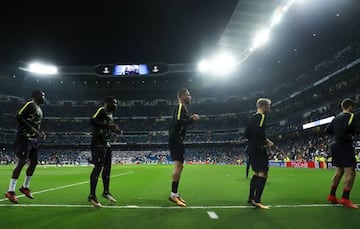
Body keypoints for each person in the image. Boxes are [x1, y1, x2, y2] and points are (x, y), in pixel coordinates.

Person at [5, 90, 46, 203]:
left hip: (33, 140)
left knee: (34, 162)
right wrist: (32, 129)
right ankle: (10, 191)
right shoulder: (30, 104)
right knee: (22, 162)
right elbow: (18, 116)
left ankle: (25, 187)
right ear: (36, 96)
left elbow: (34, 124)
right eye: (43, 96)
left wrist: (39, 132)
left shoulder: (39, 108)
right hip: (24, 138)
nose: (44, 98)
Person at [87, 96, 122, 208]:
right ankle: (92, 196)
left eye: (116, 103)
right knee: (98, 168)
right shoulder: (102, 110)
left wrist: (115, 130)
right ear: (107, 103)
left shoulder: (110, 114)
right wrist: (108, 126)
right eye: (113, 102)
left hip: (106, 143)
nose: (115, 105)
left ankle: (106, 192)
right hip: (98, 144)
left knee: (107, 169)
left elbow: (109, 126)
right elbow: (92, 121)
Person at [325, 98, 359, 209]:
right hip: (345, 145)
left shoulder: (336, 117)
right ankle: (345, 198)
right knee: (351, 172)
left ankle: (332, 195)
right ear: (349, 106)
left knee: (339, 171)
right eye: (353, 107)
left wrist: (338, 132)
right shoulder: (351, 116)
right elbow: (353, 128)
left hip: (335, 145)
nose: (353, 109)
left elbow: (327, 130)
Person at [168, 89, 199, 207]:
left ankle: (175, 193)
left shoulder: (183, 108)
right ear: (182, 96)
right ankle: (173, 195)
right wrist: (192, 118)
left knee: (180, 166)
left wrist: (190, 120)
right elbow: (178, 122)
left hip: (177, 139)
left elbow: (182, 122)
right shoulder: (181, 106)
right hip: (176, 140)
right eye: (188, 95)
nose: (190, 97)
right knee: (178, 166)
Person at [244, 98, 274, 209]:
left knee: (256, 173)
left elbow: (246, 133)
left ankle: (251, 198)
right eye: (268, 106)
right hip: (259, 148)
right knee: (263, 173)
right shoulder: (261, 117)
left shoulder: (252, 117)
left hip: (251, 148)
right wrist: (267, 141)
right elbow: (259, 131)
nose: (269, 109)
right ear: (264, 106)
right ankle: (257, 200)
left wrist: (252, 141)